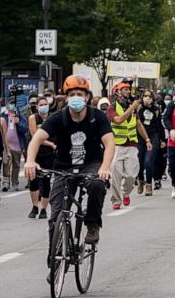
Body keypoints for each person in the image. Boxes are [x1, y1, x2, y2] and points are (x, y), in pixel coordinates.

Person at [24, 75, 113, 250]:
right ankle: (54, 259)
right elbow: (36, 139)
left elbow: (109, 143)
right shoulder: (58, 118)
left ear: (87, 97)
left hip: (91, 163)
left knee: (96, 185)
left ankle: (93, 225)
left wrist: (105, 167)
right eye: (72, 94)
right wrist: (29, 161)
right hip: (64, 166)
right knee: (56, 214)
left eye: (80, 93)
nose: (76, 98)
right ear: (66, 98)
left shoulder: (97, 117)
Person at [107, 80, 151, 210]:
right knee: (115, 175)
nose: (127, 91)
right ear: (118, 91)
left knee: (132, 175)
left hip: (131, 145)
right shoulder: (112, 107)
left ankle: (126, 193)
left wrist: (147, 139)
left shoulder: (131, 106)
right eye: (124, 89)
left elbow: (138, 124)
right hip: (117, 146)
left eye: (128, 89)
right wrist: (133, 108)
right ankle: (116, 200)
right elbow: (119, 120)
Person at [26, 96, 55, 218]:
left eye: (45, 104)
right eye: (41, 105)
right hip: (36, 152)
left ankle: (43, 208)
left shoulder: (53, 117)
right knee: (34, 180)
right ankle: (34, 206)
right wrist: (51, 144)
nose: (43, 107)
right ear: (37, 107)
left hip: (49, 154)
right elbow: (35, 136)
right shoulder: (33, 118)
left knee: (46, 180)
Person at [136, 90, 164, 196]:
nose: (147, 98)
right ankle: (141, 180)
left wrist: (162, 140)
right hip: (140, 137)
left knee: (148, 161)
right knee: (139, 161)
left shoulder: (156, 109)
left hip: (153, 137)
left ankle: (148, 183)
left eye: (150, 97)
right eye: (145, 96)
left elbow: (159, 125)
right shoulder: (138, 108)